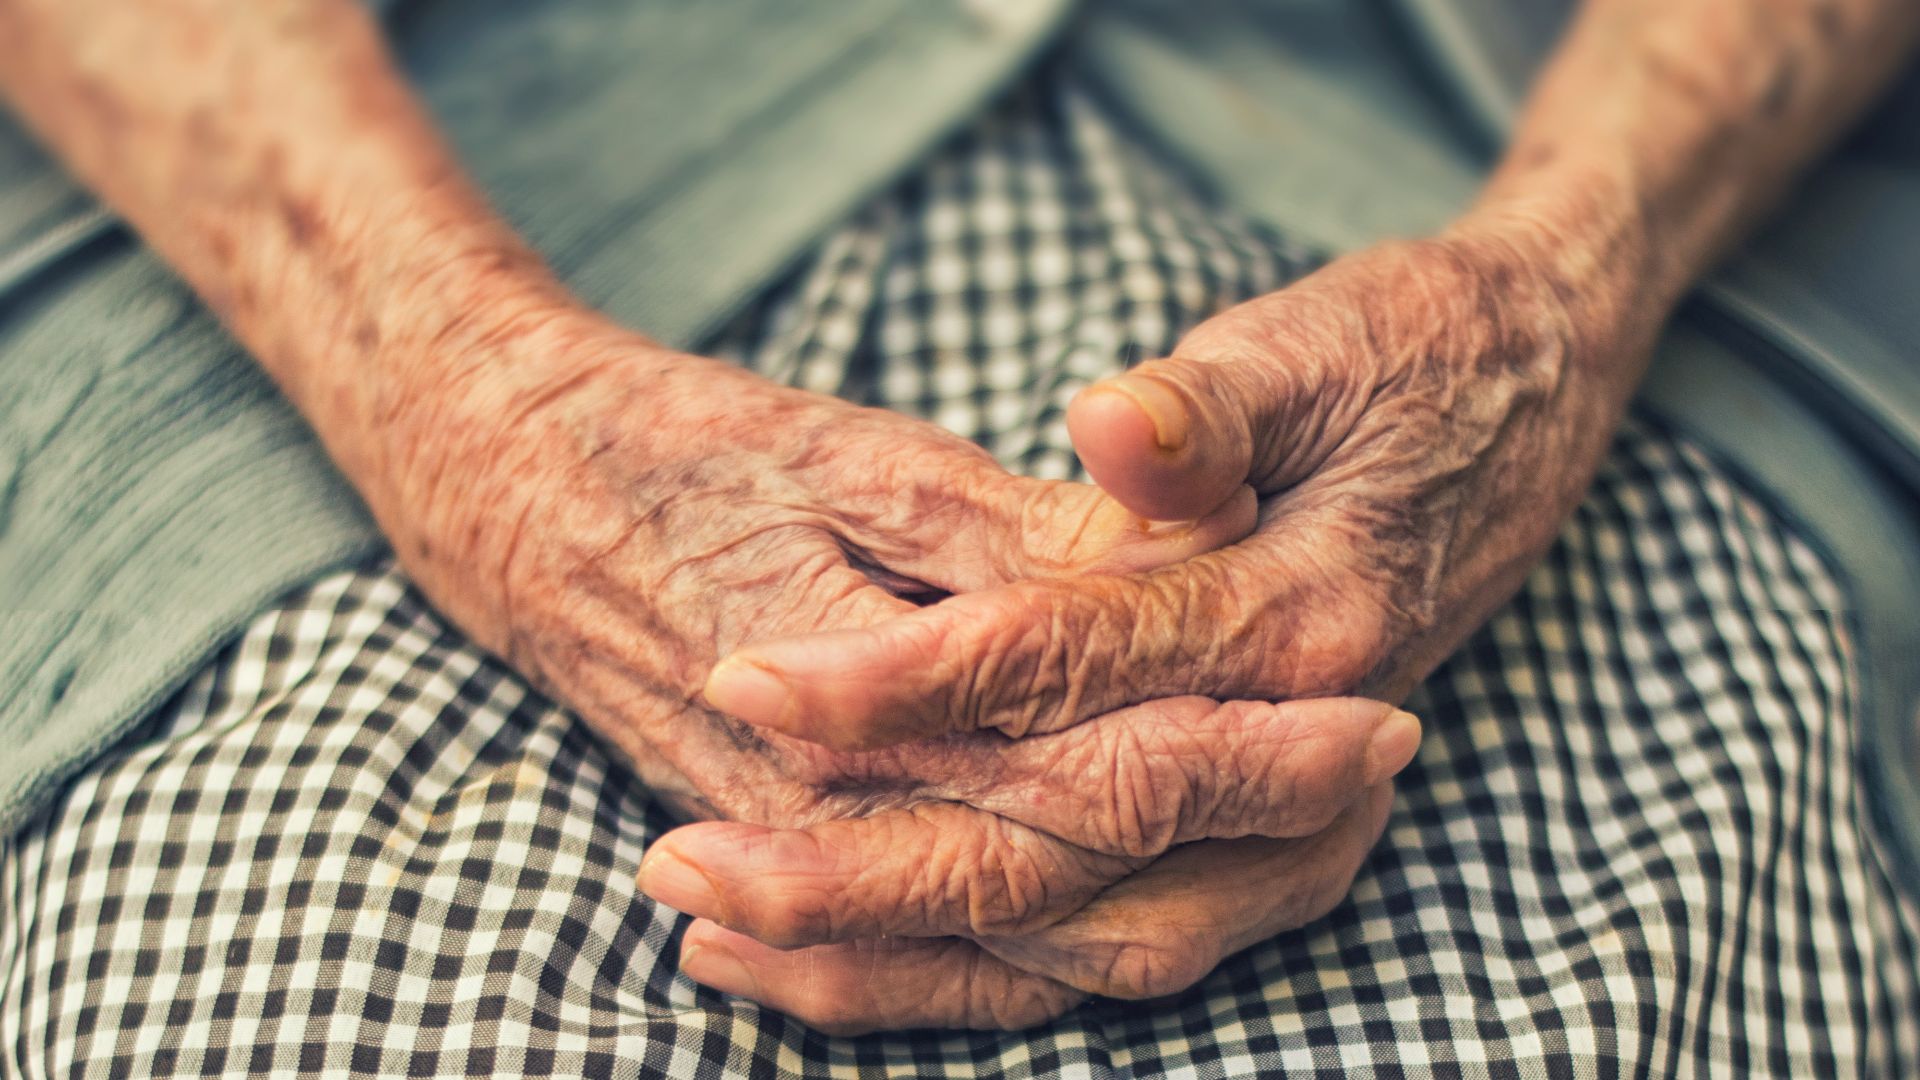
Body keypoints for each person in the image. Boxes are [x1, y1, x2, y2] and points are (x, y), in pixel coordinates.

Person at [0, 0, 1915, 1074]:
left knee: (1624, 990)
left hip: (1501, 186)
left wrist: (1568, 286)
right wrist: (466, 403)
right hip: (387, 231)